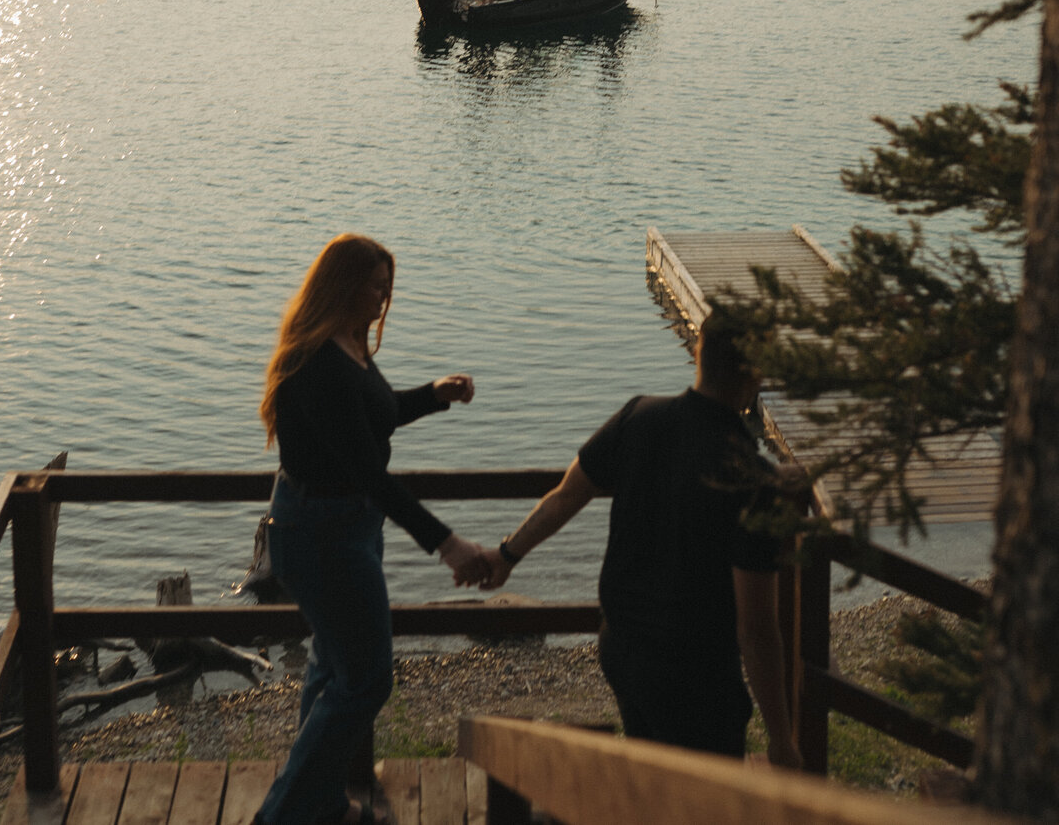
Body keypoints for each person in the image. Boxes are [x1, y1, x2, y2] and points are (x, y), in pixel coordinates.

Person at [474, 312, 801, 768]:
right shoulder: (751, 480)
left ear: (696, 352)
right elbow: (757, 629)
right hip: (697, 674)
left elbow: (566, 495)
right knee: (702, 801)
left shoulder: (638, 416)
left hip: (623, 650)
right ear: (757, 372)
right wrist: (782, 739)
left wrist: (507, 554)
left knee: (652, 782)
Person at [254, 235, 488, 825]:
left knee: (333, 666)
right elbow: (366, 470)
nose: (384, 297)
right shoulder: (318, 364)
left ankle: (321, 804)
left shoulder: (349, 344)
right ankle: (284, 815)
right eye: (374, 285)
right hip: (321, 531)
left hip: (344, 523)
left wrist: (432, 396)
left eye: (388, 286)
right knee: (366, 680)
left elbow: (371, 419)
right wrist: (447, 542)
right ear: (341, 285)